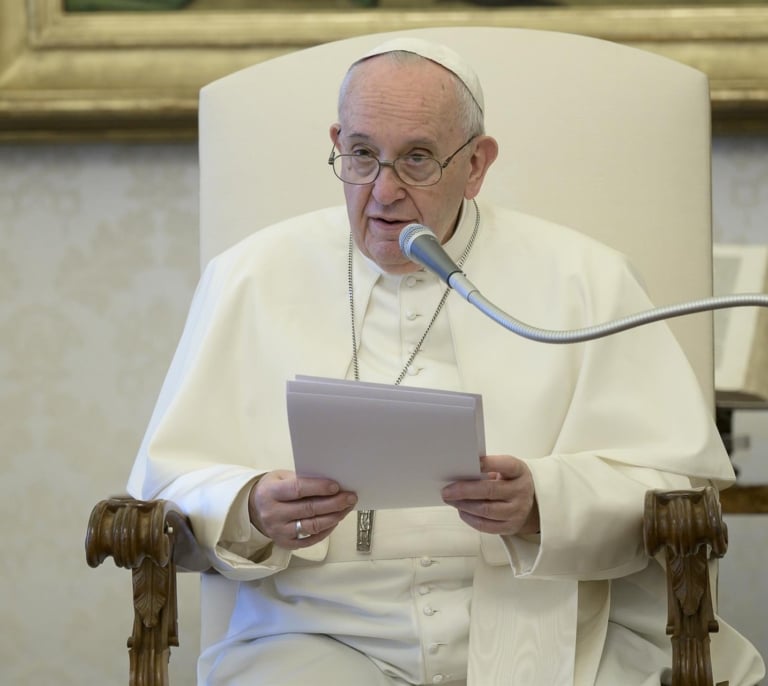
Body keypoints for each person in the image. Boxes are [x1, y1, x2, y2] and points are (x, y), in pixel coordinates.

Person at [127, 37, 765, 686]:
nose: (384, 191)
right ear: (337, 143)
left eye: (418, 159)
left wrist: (544, 502)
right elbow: (164, 490)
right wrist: (252, 507)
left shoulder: (585, 277)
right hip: (310, 635)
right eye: (362, 155)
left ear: (477, 164)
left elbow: (682, 490)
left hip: (551, 630)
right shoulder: (249, 278)